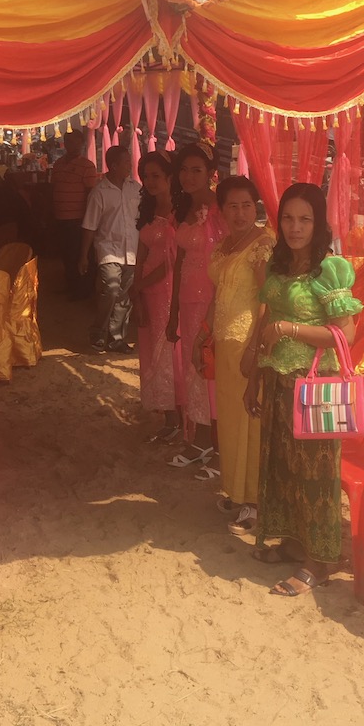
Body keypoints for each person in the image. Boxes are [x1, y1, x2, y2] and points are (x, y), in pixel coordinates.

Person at [245, 183, 363, 597]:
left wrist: (291, 329)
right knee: (283, 469)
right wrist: (255, 376)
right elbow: (265, 321)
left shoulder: (328, 269)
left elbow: (346, 331)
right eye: (289, 218)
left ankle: (321, 562)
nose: (296, 227)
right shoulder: (279, 265)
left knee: (316, 478)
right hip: (278, 381)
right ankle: (295, 543)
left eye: (305, 219)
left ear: (319, 223)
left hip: (314, 389)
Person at [196, 177, 274, 531]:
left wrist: (255, 349)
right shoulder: (226, 244)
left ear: (255, 205)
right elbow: (218, 294)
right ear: (222, 209)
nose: (240, 212)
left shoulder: (263, 244)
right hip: (225, 344)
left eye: (246, 205)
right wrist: (204, 333)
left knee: (250, 421)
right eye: (232, 205)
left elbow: (267, 301)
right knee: (229, 419)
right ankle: (235, 491)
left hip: (247, 344)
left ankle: (255, 501)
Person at [166, 143, 224, 470]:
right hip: (187, 303)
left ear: (211, 173)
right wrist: (173, 311)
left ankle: (219, 445)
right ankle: (200, 439)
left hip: (212, 303)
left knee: (212, 373)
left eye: (196, 170)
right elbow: (178, 264)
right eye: (184, 170)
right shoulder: (182, 210)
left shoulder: (221, 210)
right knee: (194, 372)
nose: (188, 177)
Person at [130, 152, 182, 441]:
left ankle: (177, 418)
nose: (150, 181)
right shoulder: (148, 210)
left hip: (168, 289)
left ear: (169, 177)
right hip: (147, 290)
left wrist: (142, 284)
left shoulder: (179, 213)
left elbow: (172, 261)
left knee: (168, 352)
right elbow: (142, 253)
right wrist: (137, 286)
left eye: (156, 176)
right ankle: (167, 415)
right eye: (146, 176)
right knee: (152, 351)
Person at [79, 145, 141, 353]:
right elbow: (90, 226)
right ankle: (98, 332)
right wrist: (84, 256)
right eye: (125, 162)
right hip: (108, 250)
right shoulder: (99, 192)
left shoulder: (136, 188)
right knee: (111, 290)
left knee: (125, 296)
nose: (129, 165)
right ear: (113, 166)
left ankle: (116, 338)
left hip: (132, 250)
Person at [51, 129, 99, 298]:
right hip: (60, 217)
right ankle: (70, 286)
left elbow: (90, 194)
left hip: (77, 219)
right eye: (68, 140)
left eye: (74, 141)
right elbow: (54, 188)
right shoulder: (57, 164)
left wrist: (88, 219)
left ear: (81, 143)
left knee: (80, 255)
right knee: (65, 254)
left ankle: (83, 290)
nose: (70, 144)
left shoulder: (87, 166)